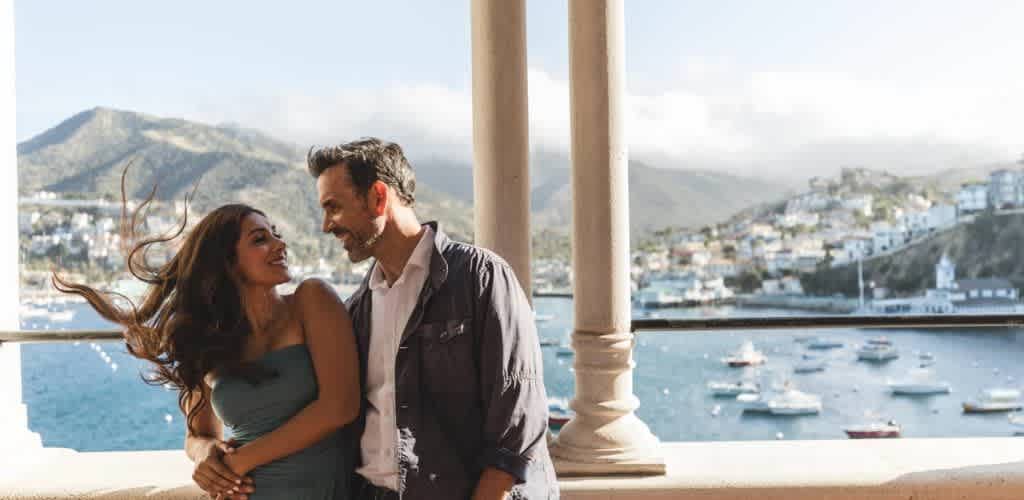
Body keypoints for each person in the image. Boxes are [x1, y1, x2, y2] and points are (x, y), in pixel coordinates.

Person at [53, 183, 360, 500]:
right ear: (226, 262)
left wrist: (239, 461)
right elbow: (196, 436)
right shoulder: (207, 340)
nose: (280, 244)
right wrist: (205, 455)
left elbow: (340, 407)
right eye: (260, 239)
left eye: (276, 234)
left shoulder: (312, 299)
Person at [308, 138, 559, 499]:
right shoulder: (357, 309)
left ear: (378, 197)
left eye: (333, 207)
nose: (326, 225)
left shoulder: (480, 277)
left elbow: (518, 424)